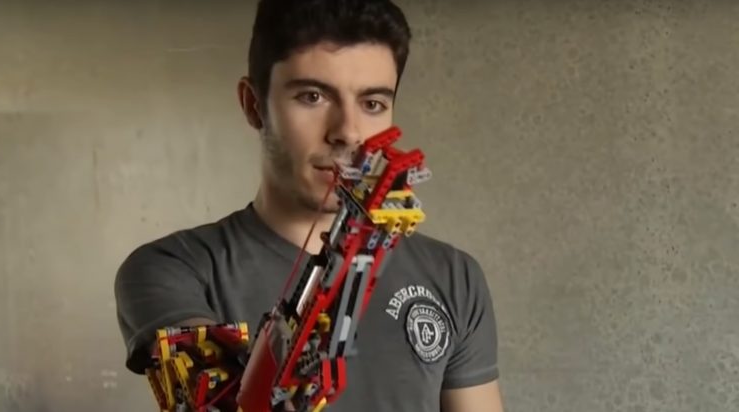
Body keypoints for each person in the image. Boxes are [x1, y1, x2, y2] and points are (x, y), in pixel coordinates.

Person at [114, 0, 504, 411]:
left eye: (372, 104)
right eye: (313, 96)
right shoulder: (173, 268)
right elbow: (226, 397)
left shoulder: (454, 276)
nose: (348, 132)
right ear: (253, 105)